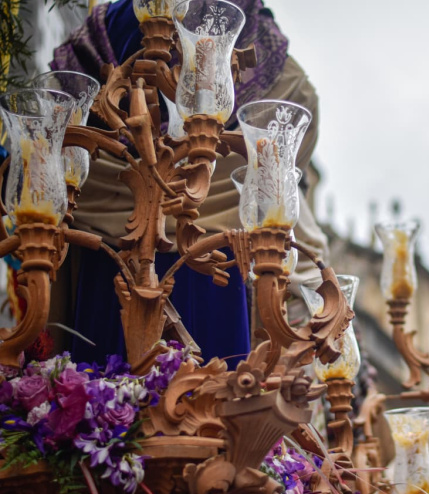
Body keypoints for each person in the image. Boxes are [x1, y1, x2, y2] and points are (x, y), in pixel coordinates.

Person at [47, 0, 328, 366]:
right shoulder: (272, 61)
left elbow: (54, 131)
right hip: (164, 267)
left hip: (166, 264)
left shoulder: (97, 40)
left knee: (108, 408)